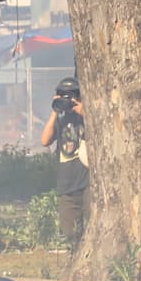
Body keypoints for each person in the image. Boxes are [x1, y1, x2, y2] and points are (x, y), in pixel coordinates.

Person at [39, 76, 88, 249]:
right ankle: (74, 255)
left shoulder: (88, 117)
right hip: (66, 183)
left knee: (90, 225)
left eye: (72, 96)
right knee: (70, 231)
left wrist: (85, 112)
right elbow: (44, 140)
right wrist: (55, 111)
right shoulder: (60, 120)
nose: (68, 100)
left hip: (87, 181)